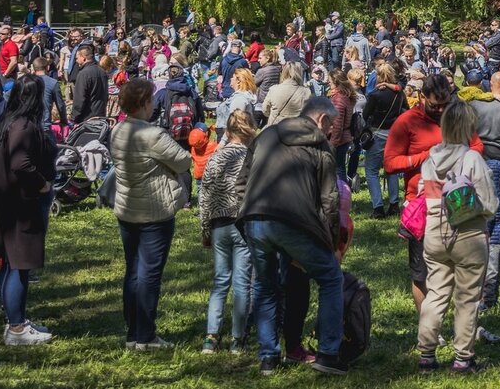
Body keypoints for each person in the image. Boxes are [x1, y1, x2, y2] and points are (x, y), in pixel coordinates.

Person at [237, 96, 346, 376]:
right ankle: (329, 353)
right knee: (331, 278)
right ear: (321, 119)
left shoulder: (267, 134)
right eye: (331, 124)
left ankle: (268, 357)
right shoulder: (321, 145)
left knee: (264, 286)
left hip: (255, 219)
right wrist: (332, 242)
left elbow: (242, 180)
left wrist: (246, 212)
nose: (333, 131)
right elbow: (330, 200)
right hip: (295, 222)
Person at [385, 74, 484, 315]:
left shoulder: (455, 116)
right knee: (422, 271)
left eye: (445, 104)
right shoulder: (407, 121)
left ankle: (466, 321)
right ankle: (428, 324)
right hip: (423, 205)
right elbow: (390, 163)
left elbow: (477, 145)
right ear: (421, 97)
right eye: (434, 105)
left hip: (458, 200)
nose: (440, 110)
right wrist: (425, 156)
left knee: (465, 264)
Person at [416, 101, 499, 374]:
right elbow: (489, 204)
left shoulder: (429, 159)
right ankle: (463, 357)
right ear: (467, 126)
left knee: (436, 293)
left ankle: (426, 354)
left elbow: (421, 195)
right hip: (468, 234)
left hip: (434, 232)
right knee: (467, 298)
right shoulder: (471, 159)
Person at [110, 78, 193, 350]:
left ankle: (133, 332)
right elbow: (183, 160)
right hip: (154, 211)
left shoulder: (118, 130)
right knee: (149, 274)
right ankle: (145, 335)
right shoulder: (152, 135)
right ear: (144, 103)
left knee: (133, 270)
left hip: (127, 208)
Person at [0, 76, 57, 345]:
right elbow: (21, 163)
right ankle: (17, 327)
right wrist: (42, 184)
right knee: (20, 264)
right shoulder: (23, 126)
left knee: (12, 263)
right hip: (20, 202)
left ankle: (16, 318)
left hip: (7, 200)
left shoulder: (7, 122)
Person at [198, 110, 255, 355]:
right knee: (242, 283)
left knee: (220, 281)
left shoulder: (216, 157)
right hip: (243, 225)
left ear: (228, 131)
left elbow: (205, 195)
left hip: (219, 223)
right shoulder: (252, 158)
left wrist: (205, 228)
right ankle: (237, 338)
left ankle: (211, 336)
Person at [468, 72, 500, 229]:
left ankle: (477, 212)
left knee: (477, 180)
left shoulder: (475, 104)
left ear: (490, 83)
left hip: (478, 148)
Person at [362, 63, 406, 218]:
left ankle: (378, 207)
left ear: (379, 76)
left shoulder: (375, 95)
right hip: (394, 135)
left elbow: (365, 115)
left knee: (371, 171)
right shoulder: (399, 93)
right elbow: (405, 109)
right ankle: (394, 204)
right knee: (391, 170)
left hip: (378, 134)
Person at [262, 62, 312, 126]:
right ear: (300, 73)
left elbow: (265, 110)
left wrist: (273, 114)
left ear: (284, 72)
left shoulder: (273, 89)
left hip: (275, 128)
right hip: (296, 129)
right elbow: (309, 113)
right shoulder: (306, 92)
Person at [327, 69, 356, 178]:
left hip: (339, 139)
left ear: (336, 82)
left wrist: (332, 144)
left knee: (338, 170)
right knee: (340, 168)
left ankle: (342, 194)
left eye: (330, 81)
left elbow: (337, 124)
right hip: (344, 137)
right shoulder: (345, 96)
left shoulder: (338, 99)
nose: (328, 82)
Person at [71, 47, 109, 124]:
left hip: (87, 118)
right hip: (101, 115)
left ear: (83, 58)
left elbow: (79, 99)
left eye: (77, 58)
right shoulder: (102, 72)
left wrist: (74, 117)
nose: (76, 60)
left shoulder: (83, 74)